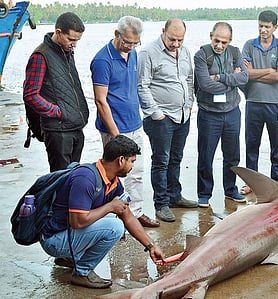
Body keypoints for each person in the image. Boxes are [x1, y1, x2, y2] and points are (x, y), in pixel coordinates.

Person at [39, 135, 165, 289]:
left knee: (119, 210)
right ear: (120, 160)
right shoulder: (86, 178)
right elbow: (77, 221)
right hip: (54, 240)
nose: (132, 166)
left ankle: (70, 258)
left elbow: (128, 216)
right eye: (131, 161)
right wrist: (110, 207)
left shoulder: (112, 181)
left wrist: (151, 246)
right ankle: (82, 273)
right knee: (115, 227)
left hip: (68, 234)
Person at [90, 16, 159, 228]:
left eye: (134, 43)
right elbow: (101, 101)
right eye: (127, 42)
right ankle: (114, 220)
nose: (130, 46)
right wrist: (115, 135)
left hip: (135, 123)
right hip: (115, 128)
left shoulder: (134, 54)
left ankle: (136, 214)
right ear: (116, 34)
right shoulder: (103, 60)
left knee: (136, 173)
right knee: (113, 176)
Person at [137, 18, 198, 223]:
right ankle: (161, 203)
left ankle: (175, 196)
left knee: (176, 158)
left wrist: (189, 102)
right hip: (161, 118)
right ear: (163, 31)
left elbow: (189, 79)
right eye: (172, 39)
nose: (176, 44)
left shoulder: (185, 51)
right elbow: (142, 86)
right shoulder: (148, 53)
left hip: (183, 114)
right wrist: (156, 113)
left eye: (180, 39)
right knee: (161, 160)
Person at [23, 12, 88, 172]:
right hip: (58, 131)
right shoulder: (41, 56)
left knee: (73, 178)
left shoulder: (67, 51)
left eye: (77, 40)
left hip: (75, 127)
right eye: (71, 39)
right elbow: (30, 95)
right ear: (58, 32)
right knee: (60, 181)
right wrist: (58, 112)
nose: (75, 44)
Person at [193, 22, 249, 208]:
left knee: (232, 155)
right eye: (217, 40)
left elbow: (245, 77)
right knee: (206, 156)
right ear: (211, 36)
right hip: (209, 114)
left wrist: (220, 77)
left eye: (224, 42)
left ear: (230, 41)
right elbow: (205, 85)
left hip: (232, 112)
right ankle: (204, 193)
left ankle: (231, 189)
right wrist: (232, 79)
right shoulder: (202, 55)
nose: (219, 45)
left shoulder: (234, 52)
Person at [240, 10, 278, 195]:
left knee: (276, 145)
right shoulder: (249, 45)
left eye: (267, 27)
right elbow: (245, 75)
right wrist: (269, 70)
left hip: (274, 104)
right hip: (253, 102)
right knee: (252, 144)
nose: (263, 30)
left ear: (275, 27)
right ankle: (251, 183)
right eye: (260, 26)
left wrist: (256, 73)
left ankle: (276, 182)